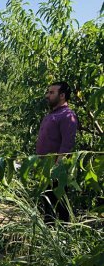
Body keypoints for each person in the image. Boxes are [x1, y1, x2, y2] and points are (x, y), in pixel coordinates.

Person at [36, 81, 78, 222]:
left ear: (62, 96)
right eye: (48, 92)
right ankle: (50, 235)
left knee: (59, 206)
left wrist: (57, 168)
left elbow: (67, 145)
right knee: (47, 204)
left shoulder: (67, 115)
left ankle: (62, 236)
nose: (47, 95)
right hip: (46, 169)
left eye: (51, 92)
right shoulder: (53, 114)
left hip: (57, 171)